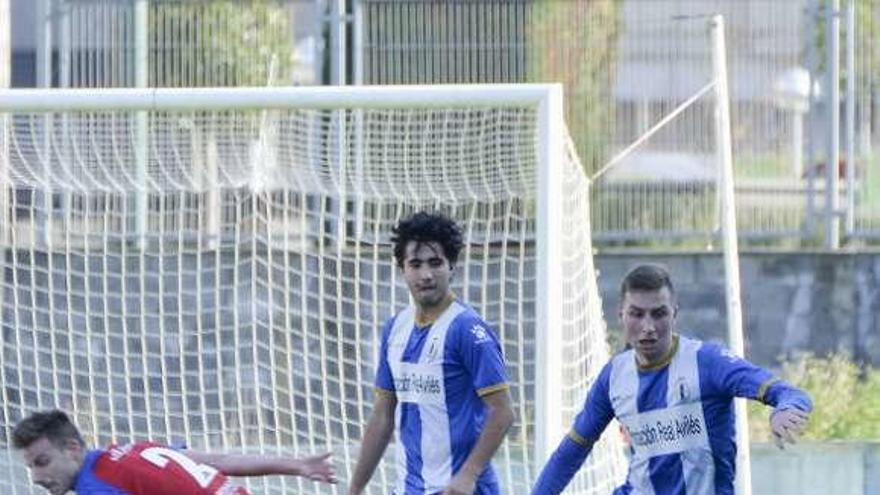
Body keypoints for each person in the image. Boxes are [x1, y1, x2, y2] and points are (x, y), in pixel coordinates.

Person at [531, 263, 813, 495]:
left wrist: (785, 408)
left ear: (674, 314)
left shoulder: (708, 363)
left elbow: (790, 393)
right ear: (621, 315)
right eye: (637, 314)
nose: (648, 327)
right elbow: (573, 450)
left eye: (659, 314)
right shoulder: (614, 376)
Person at [347, 211, 516, 495]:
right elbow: (383, 415)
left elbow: (503, 412)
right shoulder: (395, 328)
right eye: (415, 264)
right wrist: (355, 488)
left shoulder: (467, 330)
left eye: (435, 263)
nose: (426, 274)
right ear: (403, 269)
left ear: (452, 267)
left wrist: (467, 475)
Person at [13, 409, 338, 495]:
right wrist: (295, 465)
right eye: (31, 467)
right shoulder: (133, 450)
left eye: (43, 462)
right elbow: (217, 461)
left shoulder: (95, 487)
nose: (38, 477)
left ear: (72, 449)